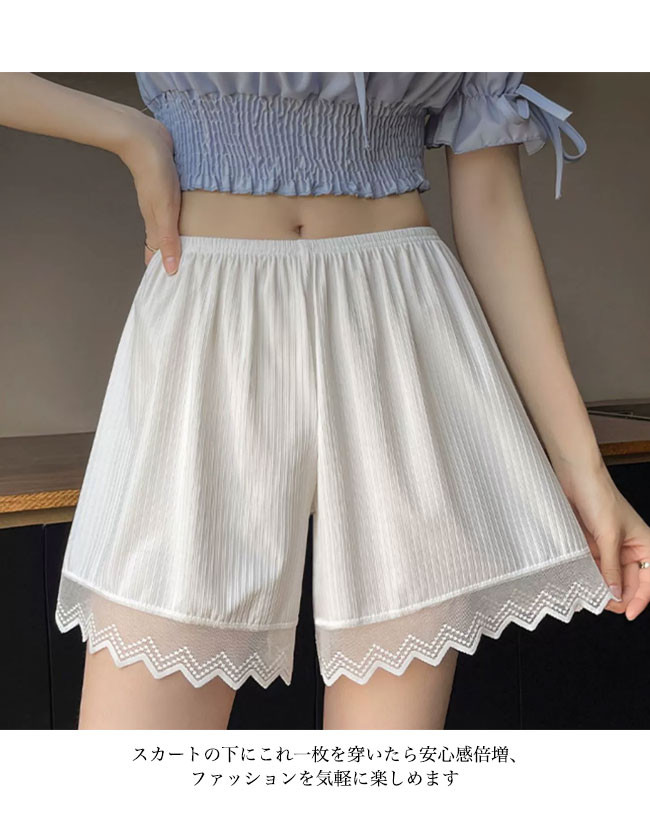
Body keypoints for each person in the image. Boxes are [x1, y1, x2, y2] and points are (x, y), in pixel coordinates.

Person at [2, 72, 649, 731]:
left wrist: (585, 472)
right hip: (212, 330)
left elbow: (492, 207)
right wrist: (128, 133)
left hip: (400, 333)